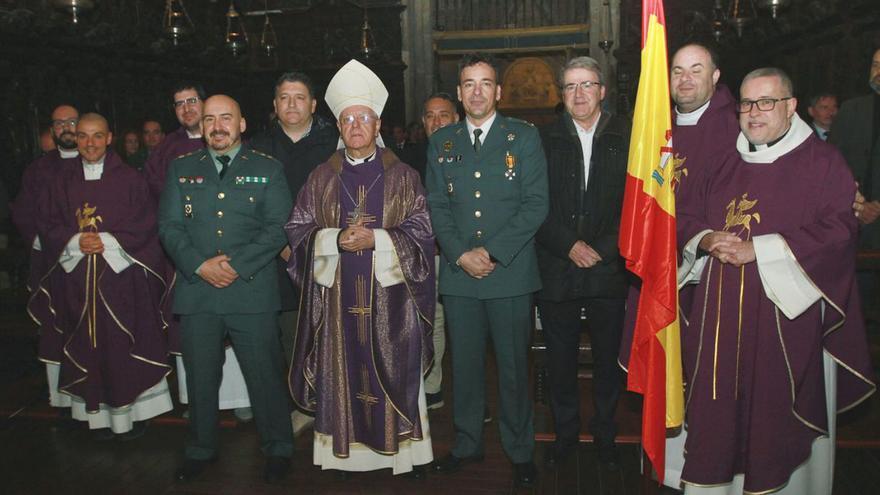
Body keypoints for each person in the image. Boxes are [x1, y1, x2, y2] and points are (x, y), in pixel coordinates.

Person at [674, 67, 876, 494]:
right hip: (719, 319)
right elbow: (687, 213)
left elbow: (840, 229)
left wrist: (761, 250)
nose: (754, 112)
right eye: (746, 102)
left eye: (766, 102)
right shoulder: (725, 160)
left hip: (785, 321)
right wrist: (706, 237)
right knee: (717, 414)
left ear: (790, 106)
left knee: (773, 419)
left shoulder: (823, 162)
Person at [286, 59, 435, 477]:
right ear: (339, 126)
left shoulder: (403, 176)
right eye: (347, 119)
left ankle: (402, 452)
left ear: (377, 123)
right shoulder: (321, 177)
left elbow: (422, 234)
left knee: (389, 369)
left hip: (391, 305)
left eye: (363, 118)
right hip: (337, 305)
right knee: (344, 370)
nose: (355, 125)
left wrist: (380, 240)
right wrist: (332, 239)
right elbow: (297, 229)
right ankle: (340, 452)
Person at [158, 95, 294, 483]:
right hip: (198, 289)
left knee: (264, 374)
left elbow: (277, 227)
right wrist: (200, 265)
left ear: (242, 123)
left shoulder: (267, 169)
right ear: (201, 126)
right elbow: (168, 226)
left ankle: (279, 448)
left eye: (226, 118)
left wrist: (235, 266)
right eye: (210, 119)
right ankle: (200, 448)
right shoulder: (181, 168)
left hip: (250, 290)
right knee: (199, 377)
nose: (218, 126)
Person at [427, 53, 548, 488]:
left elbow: (536, 204)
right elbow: (436, 205)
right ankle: (466, 443)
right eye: (468, 84)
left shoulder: (524, 137)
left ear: (498, 91)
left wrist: (492, 253)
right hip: (460, 276)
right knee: (465, 365)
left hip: (510, 274)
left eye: (485, 83)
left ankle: (519, 450)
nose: (476, 91)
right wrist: (461, 254)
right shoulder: (442, 142)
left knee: (515, 368)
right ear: (459, 93)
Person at [39, 113, 173, 438]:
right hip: (76, 282)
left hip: (122, 279)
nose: (90, 143)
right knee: (85, 344)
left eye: (97, 136)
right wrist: (74, 241)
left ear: (109, 138)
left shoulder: (130, 179)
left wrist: (109, 241)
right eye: (83, 136)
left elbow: (146, 223)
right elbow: (47, 223)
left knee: (122, 345)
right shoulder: (60, 182)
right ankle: (94, 418)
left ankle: (133, 415)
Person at [535, 56, 630, 469]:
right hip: (558, 267)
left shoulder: (628, 136)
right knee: (560, 361)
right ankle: (566, 435)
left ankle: (606, 435)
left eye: (587, 85)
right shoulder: (542, 138)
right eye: (571, 86)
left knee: (608, 362)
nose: (579, 94)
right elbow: (532, 203)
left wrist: (605, 248)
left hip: (610, 269)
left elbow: (638, 205)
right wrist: (568, 244)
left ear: (602, 91)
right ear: (562, 93)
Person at [144, 82, 254, 422]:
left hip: (233, 258)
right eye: (179, 104)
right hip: (188, 259)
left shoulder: (240, 149)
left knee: (237, 328)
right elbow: (154, 199)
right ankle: (198, 403)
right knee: (194, 333)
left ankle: (240, 396)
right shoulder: (167, 150)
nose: (187, 108)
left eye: (193, 101)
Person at [249, 70, 338, 437]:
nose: (291, 104)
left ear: (313, 104)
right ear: (274, 104)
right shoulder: (257, 147)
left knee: (329, 334)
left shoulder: (335, 142)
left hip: (328, 255)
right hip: (276, 261)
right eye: (284, 97)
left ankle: (332, 406)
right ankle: (301, 404)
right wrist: (280, 246)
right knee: (288, 337)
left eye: (299, 97)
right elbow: (250, 206)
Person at [12, 104, 81, 412]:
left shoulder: (95, 162)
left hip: (90, 263)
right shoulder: (38, 170)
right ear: (53, 130)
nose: (66, 127)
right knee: (55, 328)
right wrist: (45, 240)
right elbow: (23, 212)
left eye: (71, 122)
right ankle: (60, 396)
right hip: (51, 262)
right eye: (59, 123)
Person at [418, 92, 460, 410]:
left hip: (459, 254)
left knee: (453, 324)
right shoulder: (406, 158)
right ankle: (425, 386)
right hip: (421, 254)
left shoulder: (468, 153)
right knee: (425, 321)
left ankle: (449, 389)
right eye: (430, 116)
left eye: (443, 115)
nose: (436, 122)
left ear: (455, 118)